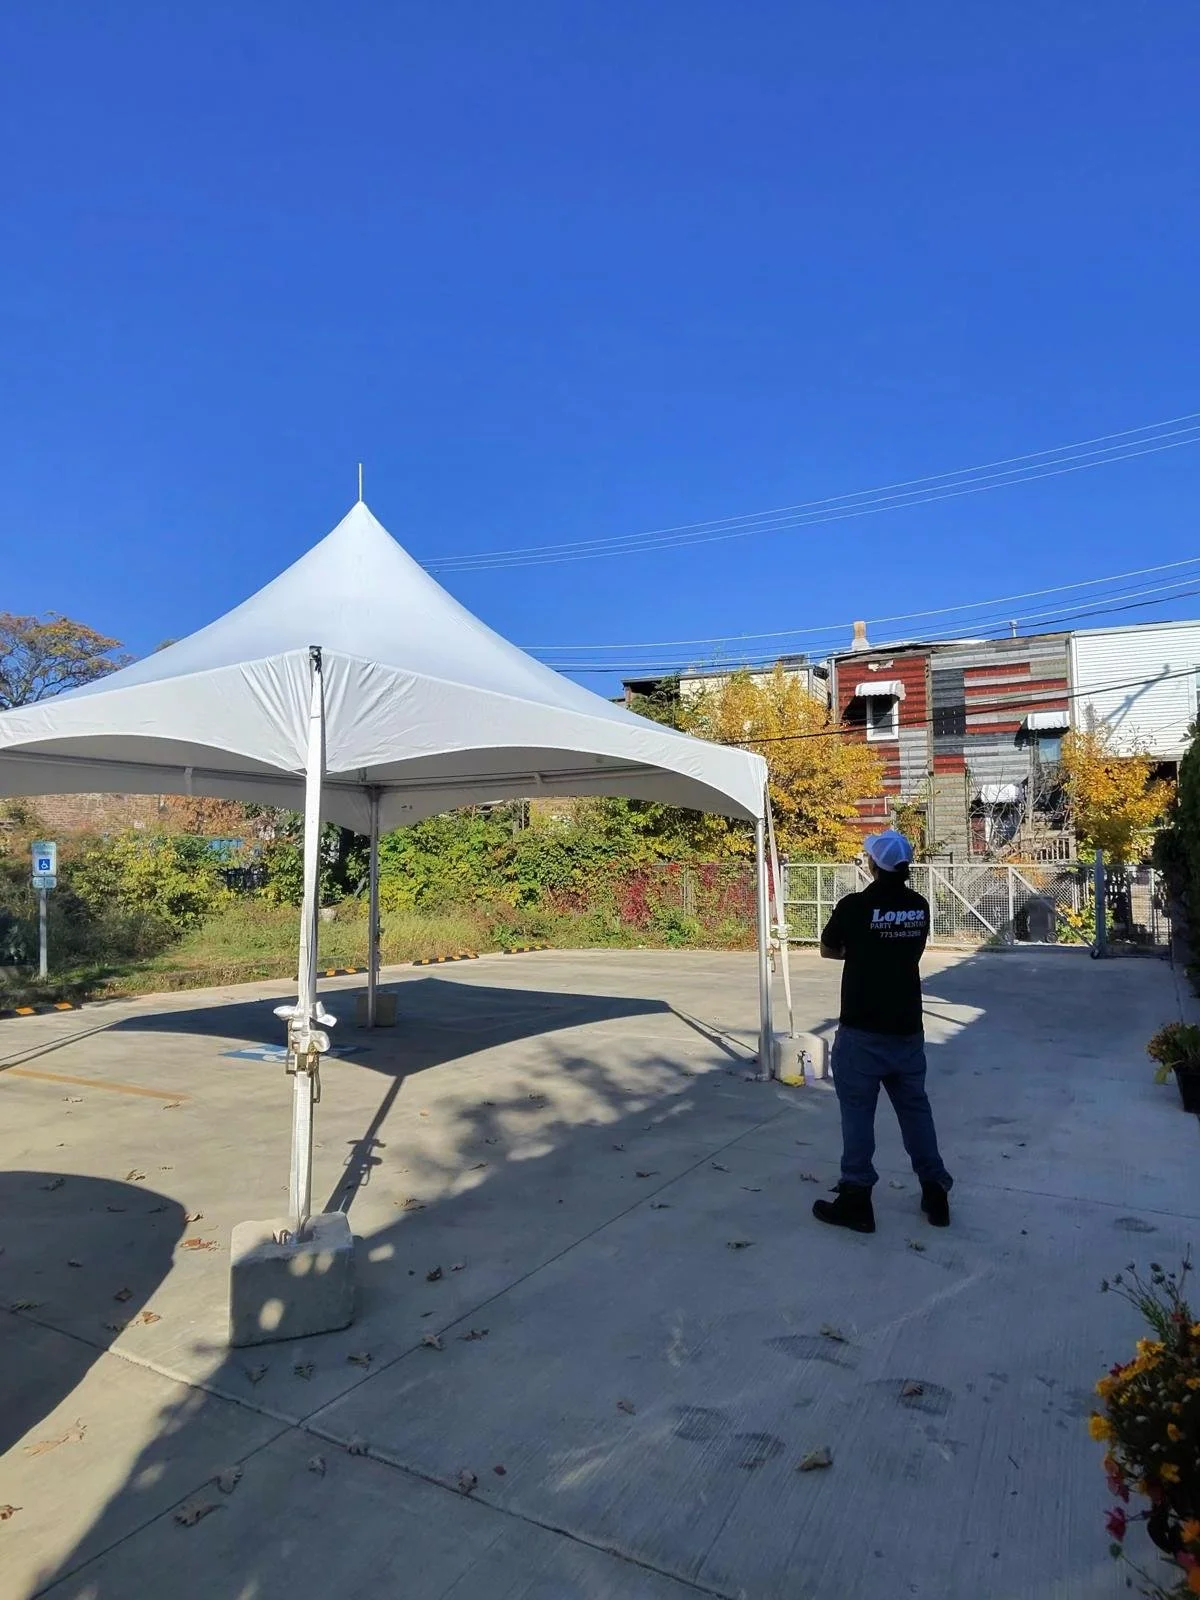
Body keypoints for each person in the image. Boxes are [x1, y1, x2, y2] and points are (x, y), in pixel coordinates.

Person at [812, 828, 952, 1235]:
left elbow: (828, 947)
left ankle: (856, 1197)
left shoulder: (856, 905)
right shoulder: (919, 906)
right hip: (907, 1027)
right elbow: (912, 950)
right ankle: (935, 1189)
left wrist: (859, 951)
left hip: (862, 1028)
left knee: (857, 1114)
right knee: (915, 1110)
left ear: (873, 864)